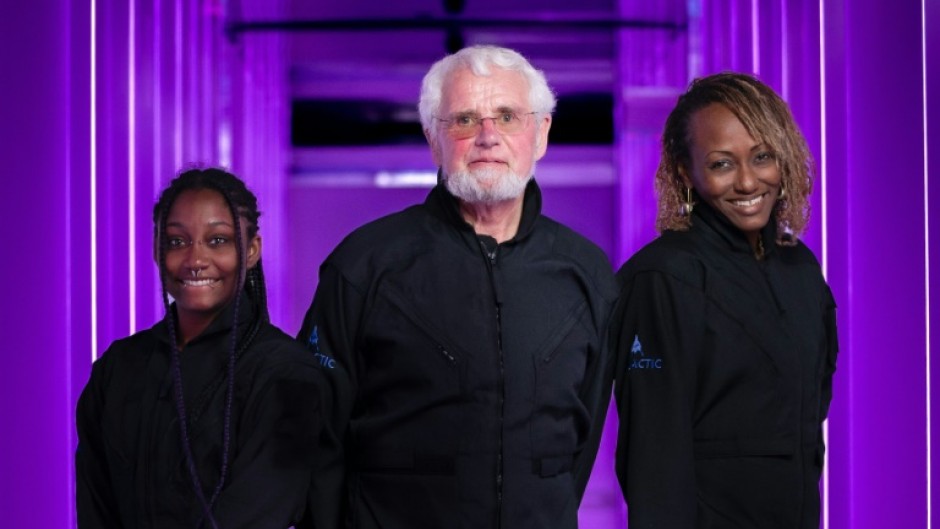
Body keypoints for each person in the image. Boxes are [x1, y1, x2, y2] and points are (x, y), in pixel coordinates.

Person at [298, 45, 618, 529]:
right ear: (433, 139)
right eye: (465, 120)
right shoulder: (364, 265)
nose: (488, 137)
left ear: (541, 134)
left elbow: (579, 442)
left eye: (507, 116)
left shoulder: (586, 273)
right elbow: (315, 434)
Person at [611, 72, 839, 528]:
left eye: (762, 157)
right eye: (721, 164)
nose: (748, 182)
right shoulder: (662, 279)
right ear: (685, 170)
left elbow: (811, 414)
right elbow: (653, 462)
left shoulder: (801, 270)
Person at [76, 168, 332, 528]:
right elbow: (95, 506)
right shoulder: (118, 367)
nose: (195, 260)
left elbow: (259, 513)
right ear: (156, 249)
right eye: (177, 241)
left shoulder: (285, 373)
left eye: (218, 240)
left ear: (252, 250)